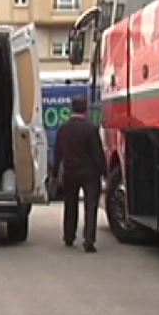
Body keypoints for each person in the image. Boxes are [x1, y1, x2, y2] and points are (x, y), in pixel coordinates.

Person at [52, 95, 105, 253]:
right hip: (89, 173)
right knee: (90, 207)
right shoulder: (91, 128)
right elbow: (97, 154)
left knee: (70, 205)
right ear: (86, 109)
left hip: (70, 172)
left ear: (71, 108)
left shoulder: (63, 129)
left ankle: (69, 236)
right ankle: (89, 240)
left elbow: (58, 153)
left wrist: (55, 173)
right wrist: (102, 171)